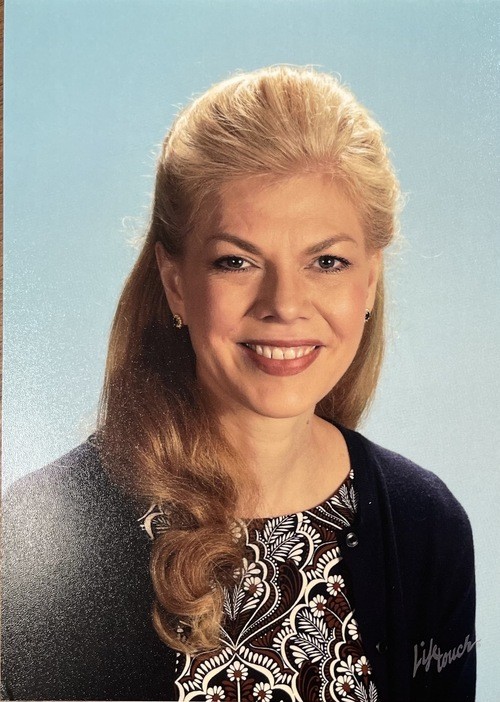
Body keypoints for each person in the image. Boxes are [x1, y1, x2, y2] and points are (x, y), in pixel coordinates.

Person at [1, 66, 475, 702]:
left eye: (327, 261)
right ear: (175, 283)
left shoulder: (424, 525)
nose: (285, 305)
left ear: (368, 282)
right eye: (237, 261)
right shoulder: (47, 534)